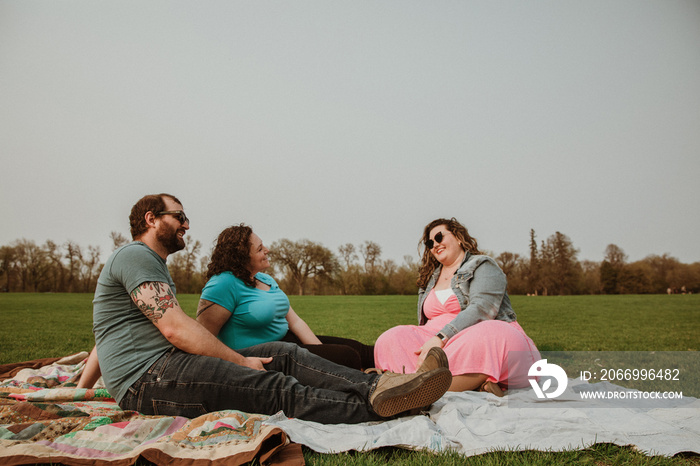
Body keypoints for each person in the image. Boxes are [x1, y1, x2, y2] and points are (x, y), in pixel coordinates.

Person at [83, 193, 452, 423]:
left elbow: (107, 333)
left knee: (284, 354)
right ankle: (383, 407)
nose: (187, 224)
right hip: (149, 380)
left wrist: (81, 386)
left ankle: (381, 386)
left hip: (163, 366)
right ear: (151, 218)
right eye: (178, 216)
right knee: (271, 386)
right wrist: (239, 361)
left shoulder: (150, 265)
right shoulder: (135, 256)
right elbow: (176, 328)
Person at [373, 217, 540, 396]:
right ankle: (469, 385)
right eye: (430, 243)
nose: (435, 244)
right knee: (391, 338)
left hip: (473, 336)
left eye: (439, 237)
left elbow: (483, 309)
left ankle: (417, 389)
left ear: (459, 237)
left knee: (495, 332)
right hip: (438, 345)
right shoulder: (429, 280)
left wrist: (442, 337)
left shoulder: (482, 265)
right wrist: (432, 342)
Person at [196, 224, 374, 370]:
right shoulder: (223, 283)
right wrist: (238, 363)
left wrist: (321, 352)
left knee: (357, 349)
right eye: (259, 249)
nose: (267, 250)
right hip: (268, 354)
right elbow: (203, 337)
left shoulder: (264, 278)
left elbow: (295, 322)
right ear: (242, 257)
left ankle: (396, 368)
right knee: (347, 357)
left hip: (288, 340)